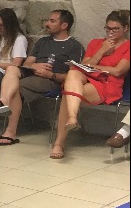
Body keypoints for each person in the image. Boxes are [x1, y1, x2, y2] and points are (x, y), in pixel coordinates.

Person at [0, 9, 85, 146]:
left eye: (52, 21)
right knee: (12, 68)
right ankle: (3, 100)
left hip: (51, 80)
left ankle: (10, 131)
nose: (47, 24)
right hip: (32, 73)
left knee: (15, 87)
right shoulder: (43, 41)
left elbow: (74, 76)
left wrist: (51, 75)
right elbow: (27, 63)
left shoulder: (74, 46)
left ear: (64, 25)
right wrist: (34, 65)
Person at [51, 10, 130, 159]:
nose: (111, 32)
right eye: (108, 28)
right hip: (87, 79)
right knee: (73, 73)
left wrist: (94, 67)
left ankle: (59, 142)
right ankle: (72, 118)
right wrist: (101, 51)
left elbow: (118, 71)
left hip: (108, 85)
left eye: (115, 29)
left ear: (125, 29)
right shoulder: (97, 43)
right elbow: (83, 66)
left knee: (67, 95)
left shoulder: (128, 46)